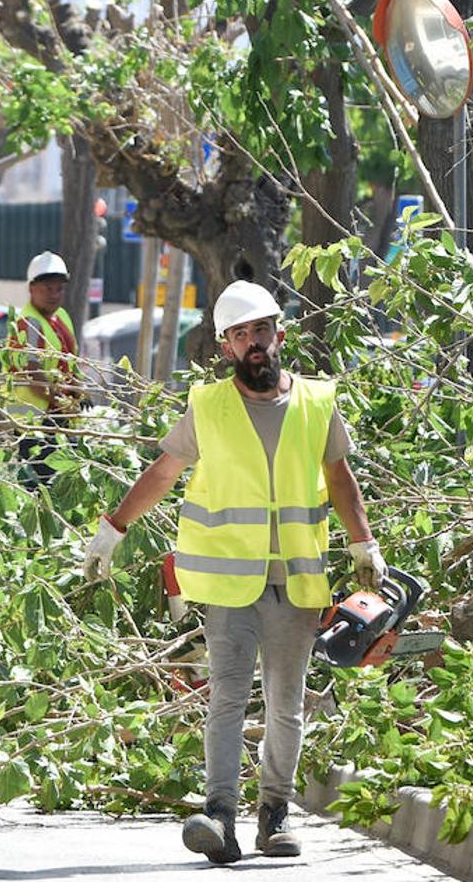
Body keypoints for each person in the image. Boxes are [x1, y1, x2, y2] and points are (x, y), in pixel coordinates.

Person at [80, 279, 385, 863]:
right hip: (230, 584)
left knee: (285, 703)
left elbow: (340, 479)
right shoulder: (208, 406)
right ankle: (220, 815)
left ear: (280, 335)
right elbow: (164, 472)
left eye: (262, 331)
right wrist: (113, 527)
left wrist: (363, 543)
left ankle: (275, 814)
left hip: (296, 582)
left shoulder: (317, 403)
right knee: (227, 697)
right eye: (241, 335)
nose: (254, 344)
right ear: (224, 347)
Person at [3, 251, 83, 485]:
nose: (54, 294)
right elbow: (34, 375)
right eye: (48, 288)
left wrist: (79, 393)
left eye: (59, 289)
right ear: (32, 288)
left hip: (59, 418)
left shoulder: (62, 318)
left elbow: (71, 363)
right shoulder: (28, 323)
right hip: (34, 423)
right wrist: (64, 403)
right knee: (42, 486)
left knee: (66, 482)